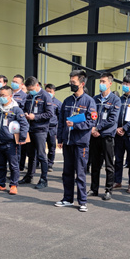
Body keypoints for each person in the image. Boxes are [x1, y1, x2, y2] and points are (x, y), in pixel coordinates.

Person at [55, 70, 97, 212]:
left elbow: (91, 121)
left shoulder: (89, 101)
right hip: (67, 142)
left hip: (81, 143)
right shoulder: (67, 101)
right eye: (70, 82)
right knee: (67, 172)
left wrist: (76, 125)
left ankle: (82, 201)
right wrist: (60, 138)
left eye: (74, 82)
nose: (71, 84)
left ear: (82, 83)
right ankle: (67, 199)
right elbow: (61, 121)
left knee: (80, 173)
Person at [0, 85, 29, 195]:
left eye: (4, 95)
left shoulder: (16, 110)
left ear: (10, 96)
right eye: (0, 95)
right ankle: (0, 184)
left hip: (11, 143)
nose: (1, 97)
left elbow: (24, 124)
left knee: (13, 165)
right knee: (0, 165)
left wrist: (22, 138)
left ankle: (14, 185)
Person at [89, 73, 121, 200]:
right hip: (95, 136)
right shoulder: (95, 99)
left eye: (103, 81)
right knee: (95, 164)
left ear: (110, 83)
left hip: (107, 136)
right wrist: (93, 128)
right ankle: (94, 189)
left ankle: (108, 190)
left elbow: (112, 119)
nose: (101, 84)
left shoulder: (115, 100)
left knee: (109, 165)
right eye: (100, 81)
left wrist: (98, 128)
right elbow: (91, 115)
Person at [20, 76, 54, 189]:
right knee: (31, 155)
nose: (30, 91)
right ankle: (29, 176)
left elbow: (50, 113)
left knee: (41, 155)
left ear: (37, 85)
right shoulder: (29, 96)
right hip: (29, 129)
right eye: (29, 90)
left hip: (40, 130)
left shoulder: (45, 96)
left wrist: (35, 117)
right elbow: (24, 108)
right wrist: (25, 113)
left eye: (31, 89)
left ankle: (44, 179)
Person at [44, 83, 62, 172]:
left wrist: (58, 131)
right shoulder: (42, 101)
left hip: (52, 128)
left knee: (52, 147)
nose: (49, 93)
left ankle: (50, 164)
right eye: (47, 91)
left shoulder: (58, 103)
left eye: (50, 91)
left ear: (54, 92)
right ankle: (39, 163)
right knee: (39, 147)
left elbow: (60, 118)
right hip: (42, 127)